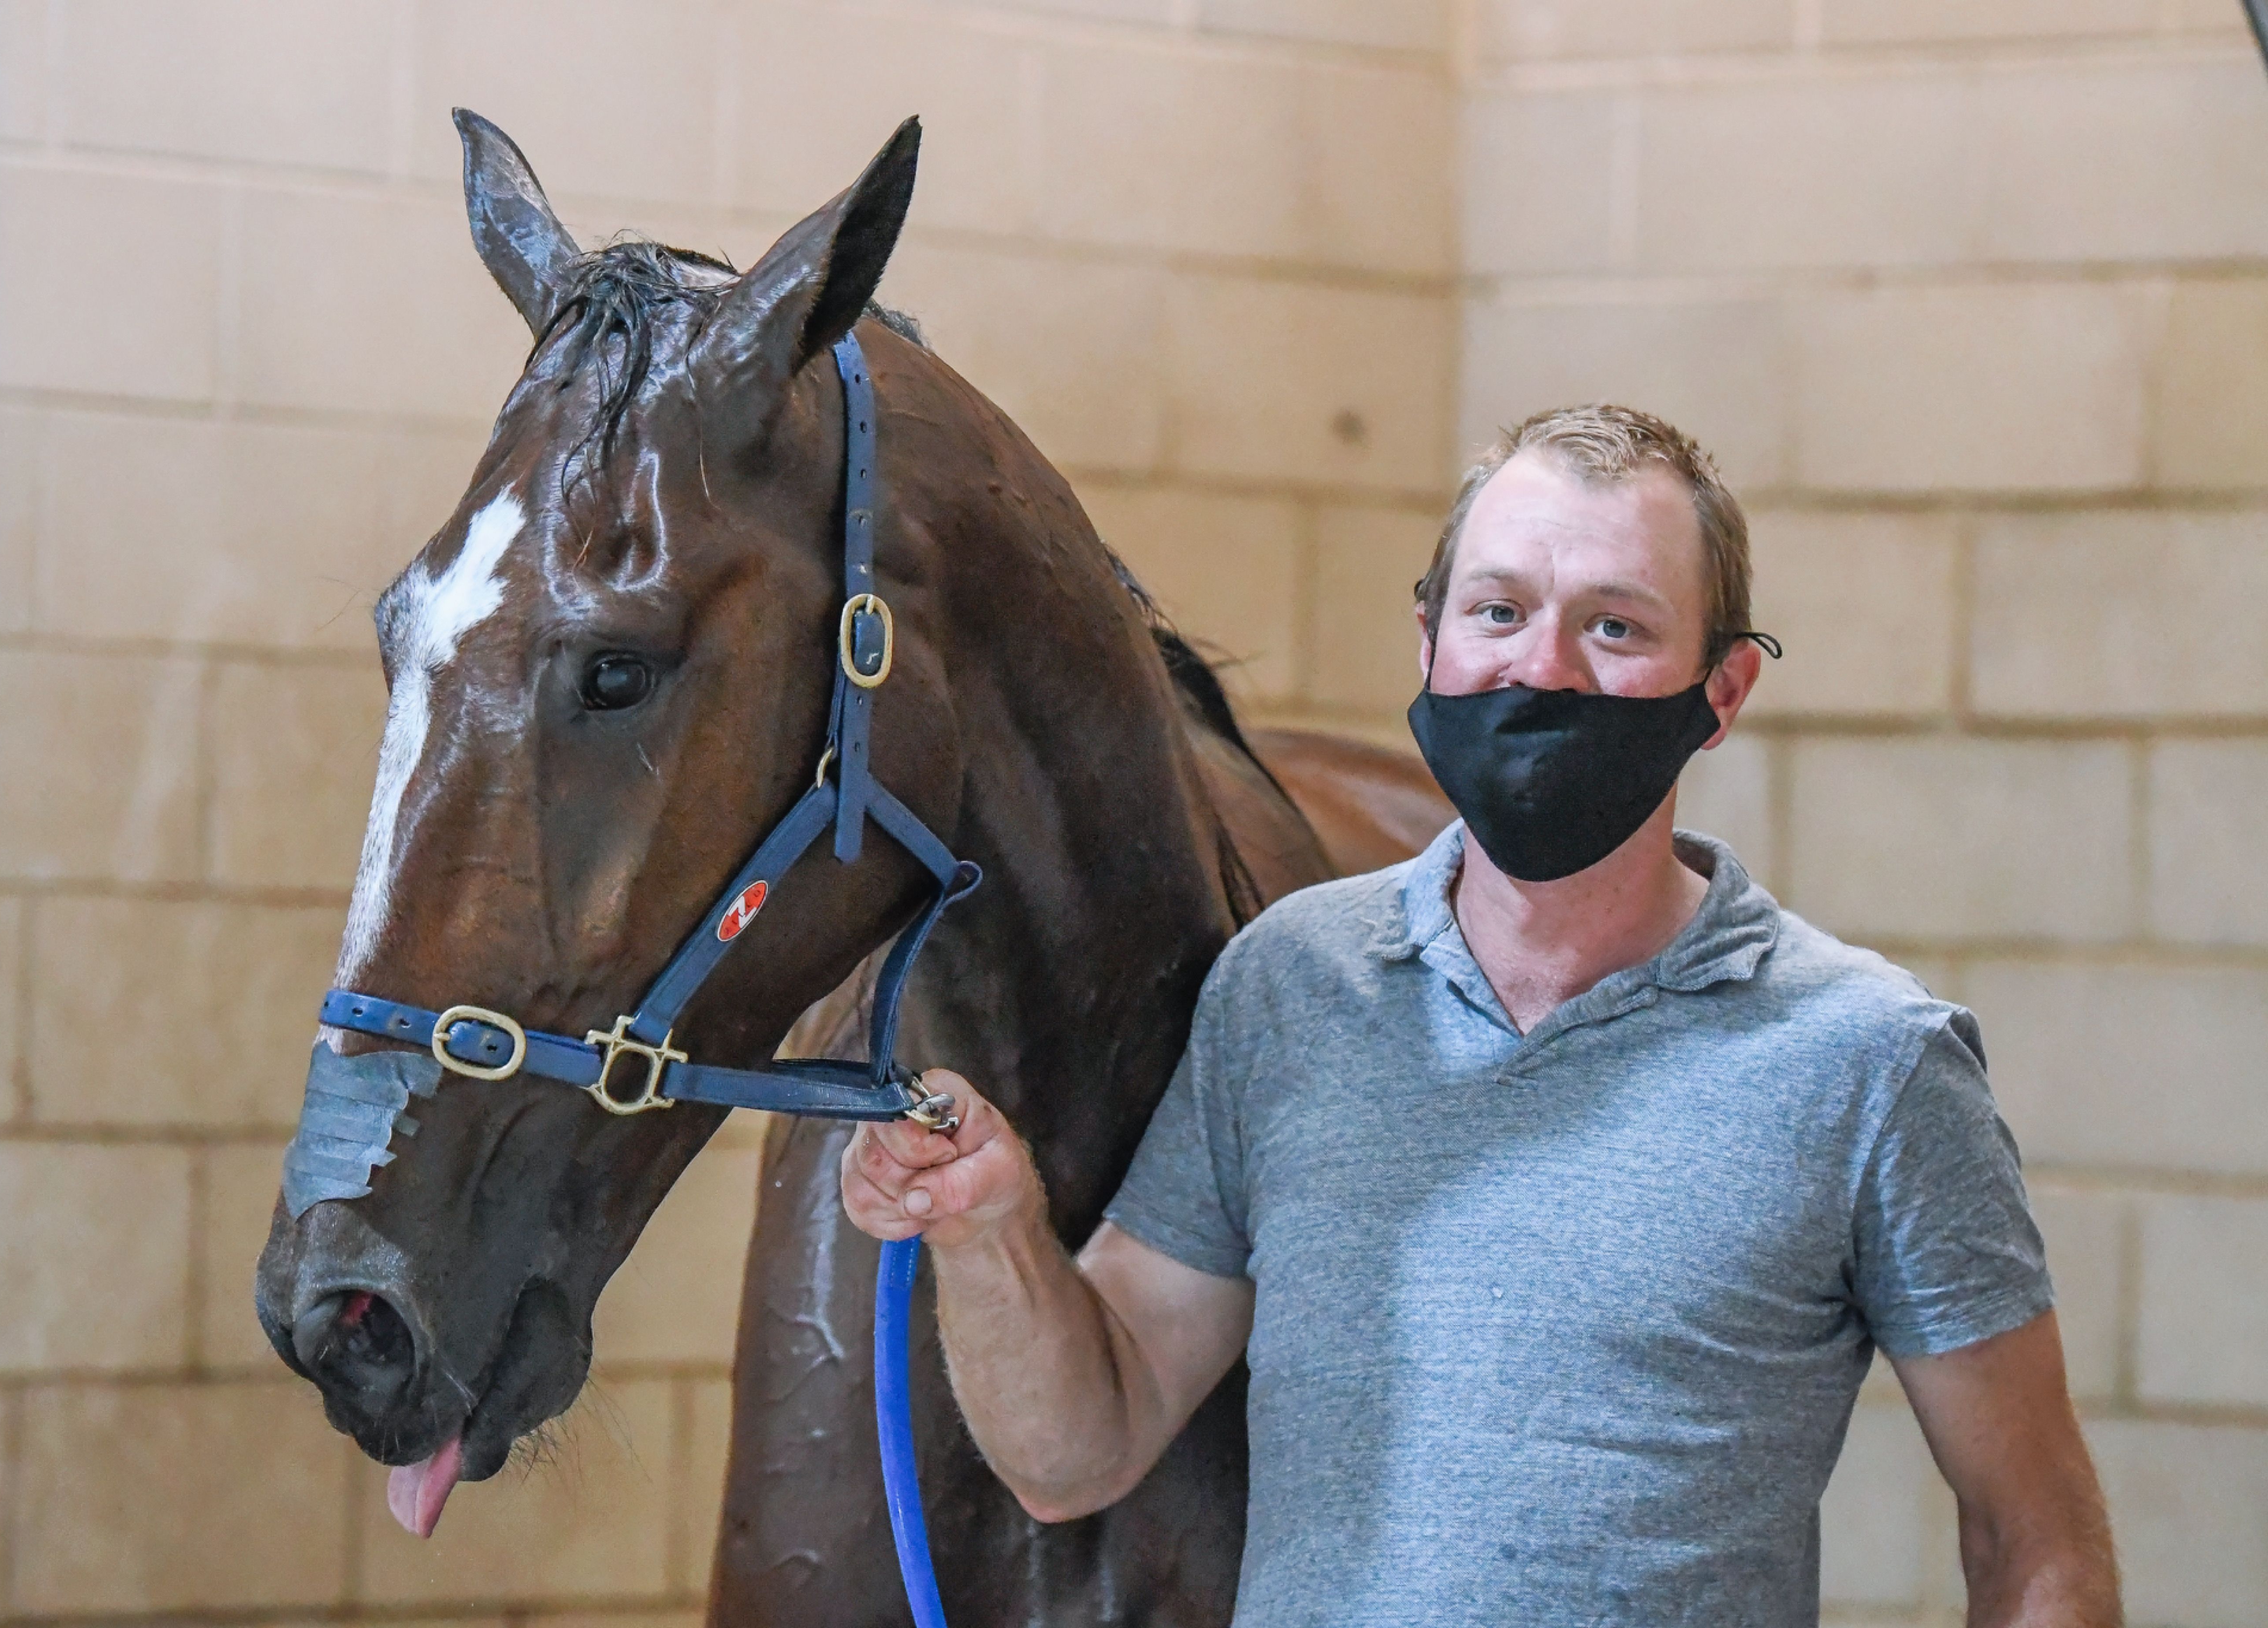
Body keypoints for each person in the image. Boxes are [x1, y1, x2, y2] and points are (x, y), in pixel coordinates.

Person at [841, 405, 2121, 1627]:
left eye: (1616, 629)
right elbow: (1082, 1446)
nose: (1540, 668)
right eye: (1498, 611)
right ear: (1430, 643)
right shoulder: (1289, 987)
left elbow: (2036, 1539)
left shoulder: (1869, 1062)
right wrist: (990, 1229)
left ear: (1723, 693)